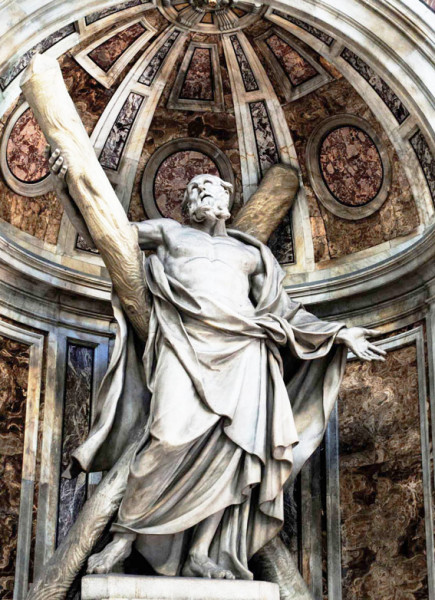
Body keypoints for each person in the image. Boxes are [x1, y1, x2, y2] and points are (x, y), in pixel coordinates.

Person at [50, 152, 385, 580]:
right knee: (166, 438)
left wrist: (341, 334)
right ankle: (124, 536)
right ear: (188, 205)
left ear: (227, 202)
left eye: (214, 187)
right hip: (185, 345)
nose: (206, 191)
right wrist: (67, 189)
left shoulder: (250, 253)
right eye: (197, 189)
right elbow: (106, 235)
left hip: (245, 353)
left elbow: (288, 312)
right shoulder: (170, 234)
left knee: (235, 453)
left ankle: (202, 553)